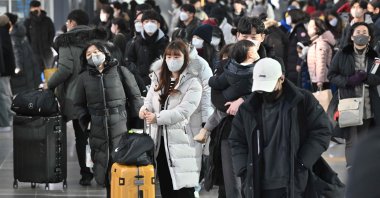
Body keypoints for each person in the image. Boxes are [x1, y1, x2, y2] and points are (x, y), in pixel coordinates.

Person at [229, 57, 332, 198]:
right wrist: (244, 170)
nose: (264, 92)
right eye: (261, 88)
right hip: (258, 183)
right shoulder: (248, 108)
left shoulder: (302, 100)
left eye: (268, 86)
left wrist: (303, 162)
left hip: (293, 180)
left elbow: (322, 130)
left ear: (281, 79)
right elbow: (236, 140)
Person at [45, 9, 107, 186]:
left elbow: (64, 70)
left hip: (77, 96)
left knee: (81, 137)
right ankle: (103, 173)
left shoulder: (66, 42)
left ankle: (86, 174)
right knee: (99, 135)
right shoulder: (99, 41)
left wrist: (49, 84)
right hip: (99, 92)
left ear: (71, 23)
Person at [75, 41, 142, 197]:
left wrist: (137, 126)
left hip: (121, 125)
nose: (93, 56)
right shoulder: (83, 78)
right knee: (105, 168)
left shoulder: (121, 71)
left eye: (96, 51)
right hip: (98, 128)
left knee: (123, 168)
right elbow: (78, 104)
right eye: (89, 54)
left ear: (106, 53)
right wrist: (86, 121)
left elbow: (135, 98)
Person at [139, 40, 202, 198]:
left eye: (176, 56)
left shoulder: (193, 83)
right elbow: (149, 100)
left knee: (183, 189)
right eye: (169, 56)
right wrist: (144, 110)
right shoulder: (158, 78)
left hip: (182, 143)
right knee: (166, 187)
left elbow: (183, 112)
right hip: (159, 143)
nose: (172, 60)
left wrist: (157, 118)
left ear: (185, 58)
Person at [327, 22, 380, 169]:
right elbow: (331, 75)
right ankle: (352, 167)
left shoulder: (375, 57)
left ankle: (364, 168)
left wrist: (366, 78)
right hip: (348, 102)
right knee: (351, 139)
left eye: (364, 32)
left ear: (369, 37)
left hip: (369, 105)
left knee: (365, 139)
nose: (361, 35)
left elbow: (378, 77)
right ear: (351, 36)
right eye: (358, 32)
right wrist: (348, 81)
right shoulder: (342, 54)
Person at [126, 10, 169, 90]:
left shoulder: (166, 43)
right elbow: (129, 62)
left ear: (158, 24)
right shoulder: (135, 42)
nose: (149, 24)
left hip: (161, 84)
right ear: (142, 24)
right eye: (146, 21)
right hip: (140, 84)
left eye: (153, 21)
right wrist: (137, 78)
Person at [5, 13, 41, 94]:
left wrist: (17, 68)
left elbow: (17, 53)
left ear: (9, 23)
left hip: (23, 72)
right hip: (30, 69)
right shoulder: (21, 34)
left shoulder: (13, 37)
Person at [24, 0, 55, 73]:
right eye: (33, 7)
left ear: (40, 8)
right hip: (34, 52)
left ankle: (49, 84)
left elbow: (52, 33)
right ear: (30, 9)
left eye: (37, 7)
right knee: (36, 72)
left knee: (49, 71)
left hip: (46, 51)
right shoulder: (28, 22)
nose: (35, 9)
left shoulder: (47, 20)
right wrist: (30, 47)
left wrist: (49, 44)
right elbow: (26, 36)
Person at [307, 17, 336, 92]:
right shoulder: (316, 42)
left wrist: (320, 81)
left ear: (317, 28)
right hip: (318, 79)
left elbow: (321, 63)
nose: (308, 28)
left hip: (320, 81)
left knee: (322, 102)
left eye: (310, 26)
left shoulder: (320, 43)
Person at [285, 9, 310, 86]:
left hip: (296, 65)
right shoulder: (292, 30)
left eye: (288, 16)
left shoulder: (300, 29)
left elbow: (304, 45)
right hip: (291, 65)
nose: (286, 18)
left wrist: (299, 63)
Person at [0, 14, 16, 132]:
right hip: (6, 69)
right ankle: (9, 117)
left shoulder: (2, 33)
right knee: (6, 93)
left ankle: (7, 119)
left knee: (4, 94)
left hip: (3, 70)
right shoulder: (5, 33)